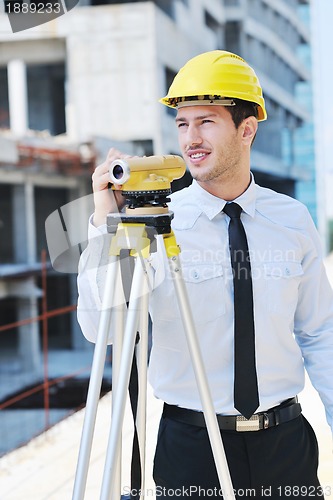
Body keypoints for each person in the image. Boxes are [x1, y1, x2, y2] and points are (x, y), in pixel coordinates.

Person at [77, 50, 333, 498]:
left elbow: (320, 332)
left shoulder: (292, 219)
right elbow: (102, 327)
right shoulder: (154, 224)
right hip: (191, 448)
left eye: (206, 121)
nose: (190, 138)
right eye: (182, 123)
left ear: (247, 128)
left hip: (286, 444)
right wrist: (106, 224)